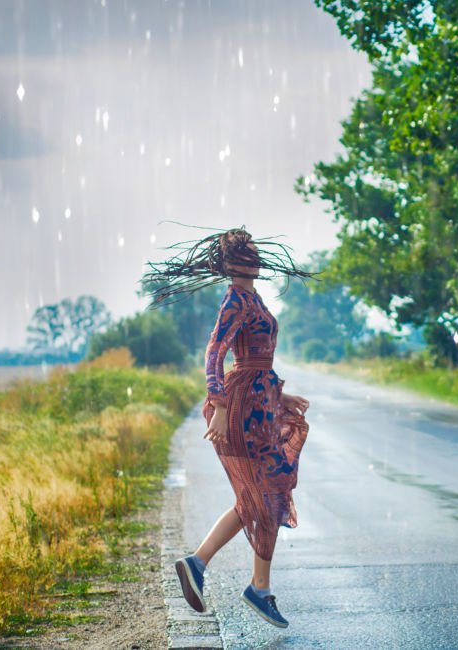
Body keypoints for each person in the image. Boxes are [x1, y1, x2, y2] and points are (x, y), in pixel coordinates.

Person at [141, 225, 315, 628]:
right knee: (265, 493)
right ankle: (252, 586)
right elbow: (215, 352)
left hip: (258, 403)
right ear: (234, 262)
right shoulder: (235, 299)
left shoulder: (252, 297)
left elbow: (255, 361)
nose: (256, 258)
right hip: (241, 410)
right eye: (248, 253)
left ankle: (207, 567)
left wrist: (278, 394)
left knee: (261, 494)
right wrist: (218, 405)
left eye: (255, 251)